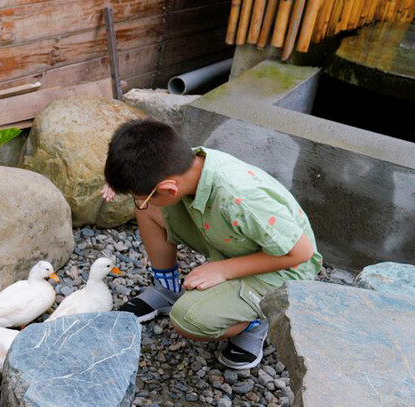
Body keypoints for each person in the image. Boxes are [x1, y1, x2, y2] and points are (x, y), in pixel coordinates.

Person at [102, 119, 322, 369]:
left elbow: (302, 253)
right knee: (149, 207)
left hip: (282, 269)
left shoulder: (240, 198)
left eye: (138, 196)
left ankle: (259, 317)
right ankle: (167, 288)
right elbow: (145, 175)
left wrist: (223, 270)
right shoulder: (186, 163)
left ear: (169, 189)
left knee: (188, 318)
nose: (139, 201)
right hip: (234, 242)